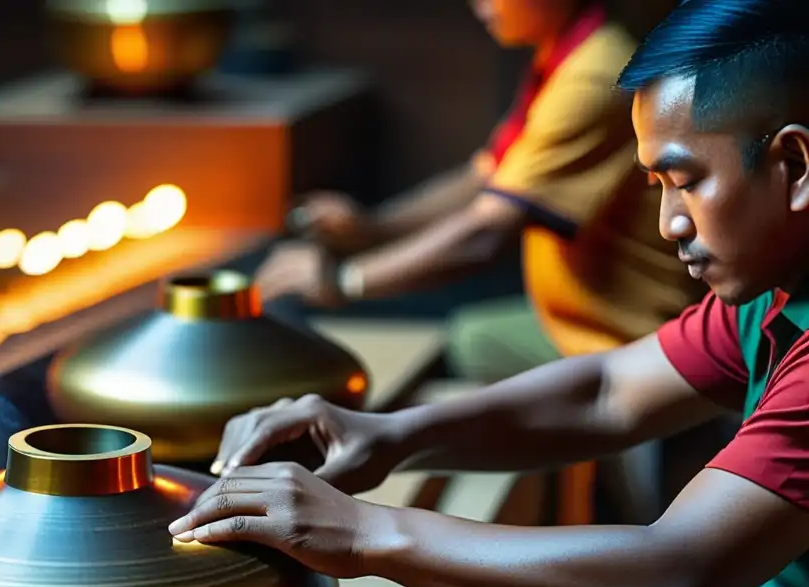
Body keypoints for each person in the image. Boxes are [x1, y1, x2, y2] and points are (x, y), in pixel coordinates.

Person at [169, 0, 809, 587]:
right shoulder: (772, 288)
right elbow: (608, 390)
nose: (670, 222)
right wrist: (391, 436)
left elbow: (667, 580)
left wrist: (366, 532)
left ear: (794, 167)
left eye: (685, 181)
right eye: (657, 186)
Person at [260, 0, 702, 380]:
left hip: (623, 336)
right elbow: (487, 176)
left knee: (455, 343)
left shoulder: (593, 75)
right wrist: (371, 228)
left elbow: (484, 235)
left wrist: (343, 281)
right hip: (575, 315)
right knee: (464, 334)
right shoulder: (565, 55)